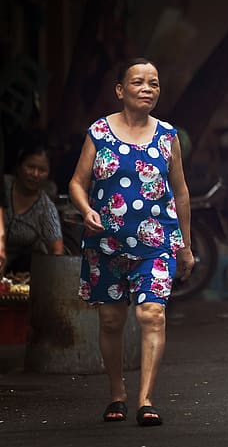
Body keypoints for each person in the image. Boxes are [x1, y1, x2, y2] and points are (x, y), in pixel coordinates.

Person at [69, 58, 194, 426]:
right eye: (138, 82)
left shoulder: (168, 136)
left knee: (151, 314)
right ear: (120, 90)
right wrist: (85, 209)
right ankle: (117, 393)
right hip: (104, 243)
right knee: (110, 321)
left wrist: (185, 246)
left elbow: (182, 192)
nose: (147, 89)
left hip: (157, 242)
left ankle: (145, 399)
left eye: (154, 84)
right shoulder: (99, 132)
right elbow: (77, 182)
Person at [1, 141, 65, 273]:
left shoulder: (46, 208)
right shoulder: (3, 187)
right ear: (19, 167)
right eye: (30, 167)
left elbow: (57, 251)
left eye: (42, 170)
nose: (35, 174)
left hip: (21, 273)